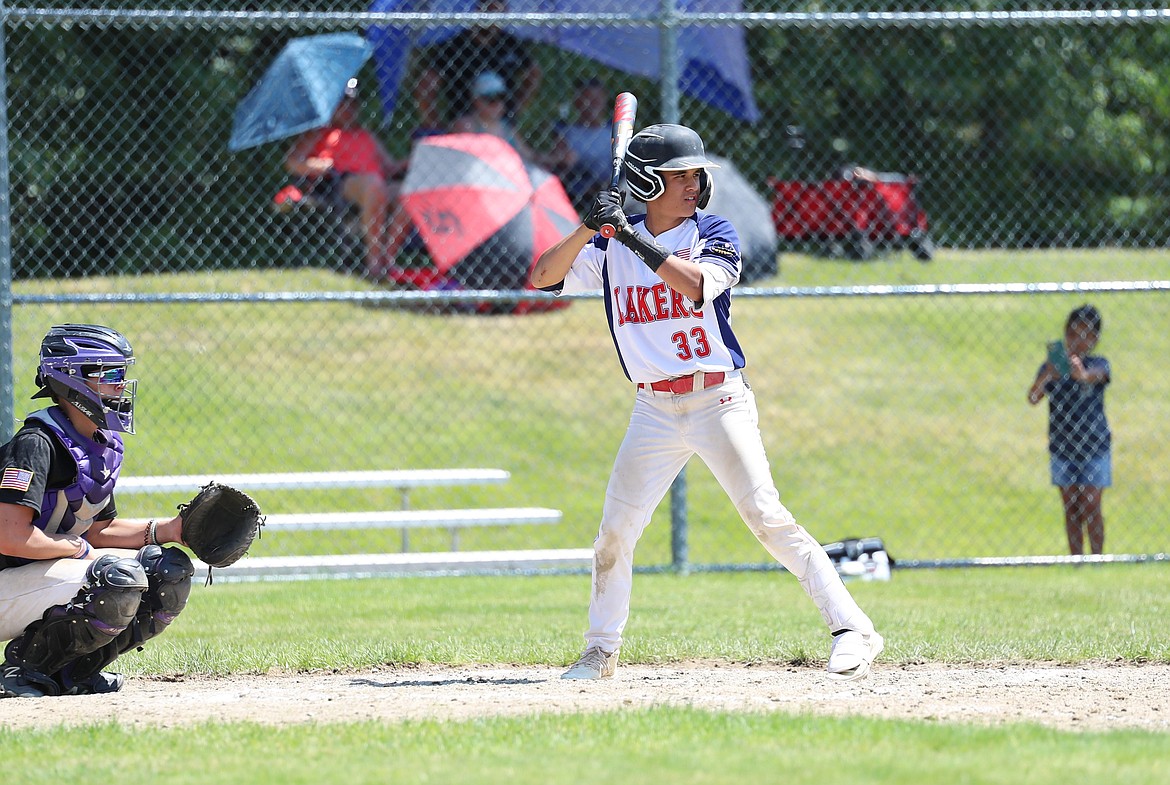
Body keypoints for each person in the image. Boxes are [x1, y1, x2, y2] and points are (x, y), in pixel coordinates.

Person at [530, 124, 884, 681]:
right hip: (652, 410)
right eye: (679, 176)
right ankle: (600, 651)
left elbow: (696, 286)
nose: (694, 184)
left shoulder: (713, 232)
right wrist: (588, 226)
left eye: (696, 174)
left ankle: (853, 629)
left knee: (766, 517)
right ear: (647, 182)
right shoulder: (607, 247)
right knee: (614, 534)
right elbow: (542, 278)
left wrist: (628, 236)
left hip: (718, 398)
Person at [1, 324, 196, 698]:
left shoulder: (96, 445)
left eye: (121, 372)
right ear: (71, 379)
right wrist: (75, 549)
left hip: (31, 583)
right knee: (116, 577)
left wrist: (171, 530)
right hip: (6, 581)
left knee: (166, 573)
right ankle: (20, 670)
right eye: (107, 373)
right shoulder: (36, 444)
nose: (120, 383)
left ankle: (72, 671)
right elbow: (10, 536)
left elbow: (98, 530)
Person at [284, 79, 411, 280]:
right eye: (343, 103)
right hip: (341, 182)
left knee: (408, 192)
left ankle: (389, 260)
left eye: (352, 103)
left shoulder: (366, 134)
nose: (348, 108)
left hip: (376, 181)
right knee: (374, 186)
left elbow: (390, 167)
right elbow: (293, 162)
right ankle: (374, 265)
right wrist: (319, 165)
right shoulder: (320, 132)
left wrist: (415, 158)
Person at [1027, 304, 1111, 556]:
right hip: (1063, 447)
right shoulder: (1053, 367)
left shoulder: (1098, 363)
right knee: (1071, 506)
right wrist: (1048, 375)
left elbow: (1101, 375)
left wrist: (1082, 375)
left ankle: (1098, 557)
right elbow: (1033, 397)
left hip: (1094, 446)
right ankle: (1076, 558)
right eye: (1073, 334)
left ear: (1095, 339)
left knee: (1091, 503)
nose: (1078, 341)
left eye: (1086, 335)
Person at [412, 0, 542, 134]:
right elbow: (425, 85)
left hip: (500, 124)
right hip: (464, 125)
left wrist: (515, 109)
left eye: (499, 11)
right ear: (478, 9)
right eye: (490, 10)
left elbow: (533, 73)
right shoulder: (456, 46)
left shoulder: (510, 43)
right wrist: (435, 124)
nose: (495, 17)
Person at [450, 70, 550, 166]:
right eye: (490, 98)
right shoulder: (467, 124)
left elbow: (530, 156)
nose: (497, 103)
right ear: (476, 100)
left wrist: (558, 158)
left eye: (501, 96)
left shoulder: (507, 127)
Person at [545, 78, 614, 211]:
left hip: (610, 187)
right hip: (577, 190)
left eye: (597, 99)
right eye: (587, 99)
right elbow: (560, 161)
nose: (593, 104)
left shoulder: (614, 132)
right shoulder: (566, 132)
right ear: (577, 102)